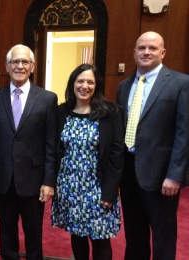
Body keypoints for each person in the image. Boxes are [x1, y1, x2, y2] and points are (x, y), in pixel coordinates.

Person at [0, 44, 58, 259]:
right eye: (15, 61)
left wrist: (49, 181)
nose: (20, 66)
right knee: (6, 233)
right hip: (3, 179)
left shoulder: (47, 99)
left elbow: (51, 145)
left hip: (34, 181)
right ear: (6, 66)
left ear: (32, 66)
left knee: (33, 234)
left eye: (25, 62)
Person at [116, 31, 189, 259]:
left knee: (163, 235)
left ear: (163, 52)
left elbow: (184, 133)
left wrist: (175, 175)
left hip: (161, 175)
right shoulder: (124, 86)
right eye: (142, 48)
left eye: (153, 48)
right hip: (128, 171)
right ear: (134, 52)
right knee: (134, 233)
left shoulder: (181, 83)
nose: (146, 52)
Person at [51, 64, 124, 260]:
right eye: (80, 81)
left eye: (90, 82)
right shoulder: (61, 112)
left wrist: (110, 191)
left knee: (100, 237)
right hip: (69, 186)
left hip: (98, 186)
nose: (85, 86)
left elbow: (117, 154)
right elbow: (54, 149)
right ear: (73, 84)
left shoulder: (110, 112)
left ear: (97, 85)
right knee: (77, 234)